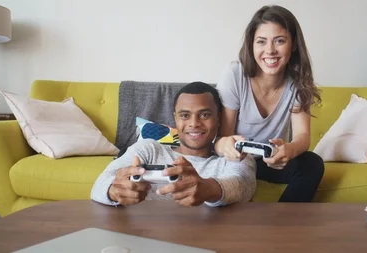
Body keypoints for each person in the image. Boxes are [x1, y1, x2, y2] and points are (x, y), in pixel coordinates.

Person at [214, 5, 324, 203]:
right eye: (261, 42)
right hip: (237, 160)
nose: (270, 51)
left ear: (293, 44)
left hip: (270, 162)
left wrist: (288, 150)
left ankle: (283, 226)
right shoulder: (235, 74)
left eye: (280, 41)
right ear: (251, 46)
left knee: (312, 163)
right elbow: (222, 137)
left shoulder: (298, 81)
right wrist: (226, 147)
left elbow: (303, 136)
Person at [91, 82, 256, 207]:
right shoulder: (148, 149)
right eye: (185, 115)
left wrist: (207, 189)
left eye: (204, 115)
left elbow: (243, 186)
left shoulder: (236, 155)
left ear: (219, 118)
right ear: (175, 118)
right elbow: (98, 186)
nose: (194, 123)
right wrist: (114, 190)